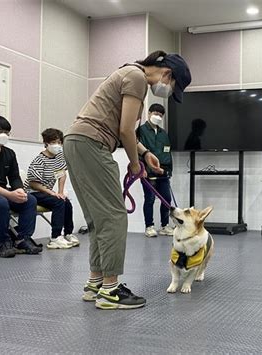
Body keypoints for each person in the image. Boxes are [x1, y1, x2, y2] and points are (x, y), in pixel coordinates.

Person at [64, 50, 191, 310]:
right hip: (92, 144)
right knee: (114, 217)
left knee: (99, 219)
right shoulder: (136, 77)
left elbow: (127, 130)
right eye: (172, 86)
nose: (166, 91)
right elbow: (124, 130)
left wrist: (144, 154)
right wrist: (135, 163)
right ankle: (110, 291)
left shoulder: (127, 73)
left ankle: (95, 284)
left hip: (76, 141)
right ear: (167, 74)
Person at [0, 116, 40, 257]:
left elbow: (14, 177)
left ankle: (22, 239)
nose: (3, 135)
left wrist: (19, 190)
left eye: (6, 132)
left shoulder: (9, 153)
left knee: (30, 200)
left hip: (0, 191)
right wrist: (8, 194)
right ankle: (4, 242)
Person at [25, 128, 79, 250]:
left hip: (46, 192)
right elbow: (33, 184)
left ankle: (68, 233)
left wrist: (60, 192)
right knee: (58, 201)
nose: (57, 145)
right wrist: (52, 193)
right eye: (54, 142)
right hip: (33, 193)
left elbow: (61, 174)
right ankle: (55, 238)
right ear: (46, 143)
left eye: (60, 142)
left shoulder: (59, 156)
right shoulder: (39, 160)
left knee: (66, 201)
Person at [136, 103, 174, 238]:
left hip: (162, 173)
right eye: (155, 114)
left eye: (160, 115)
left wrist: (167, 171)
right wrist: (141, 169)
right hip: (147, 172)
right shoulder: (140, 131)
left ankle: (165, 225)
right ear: (149, 113)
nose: (157, 117)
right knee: (150, 199)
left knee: (166, 199)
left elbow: (167, 152)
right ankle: (149, 226)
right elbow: (136, 151)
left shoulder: (164, 134)